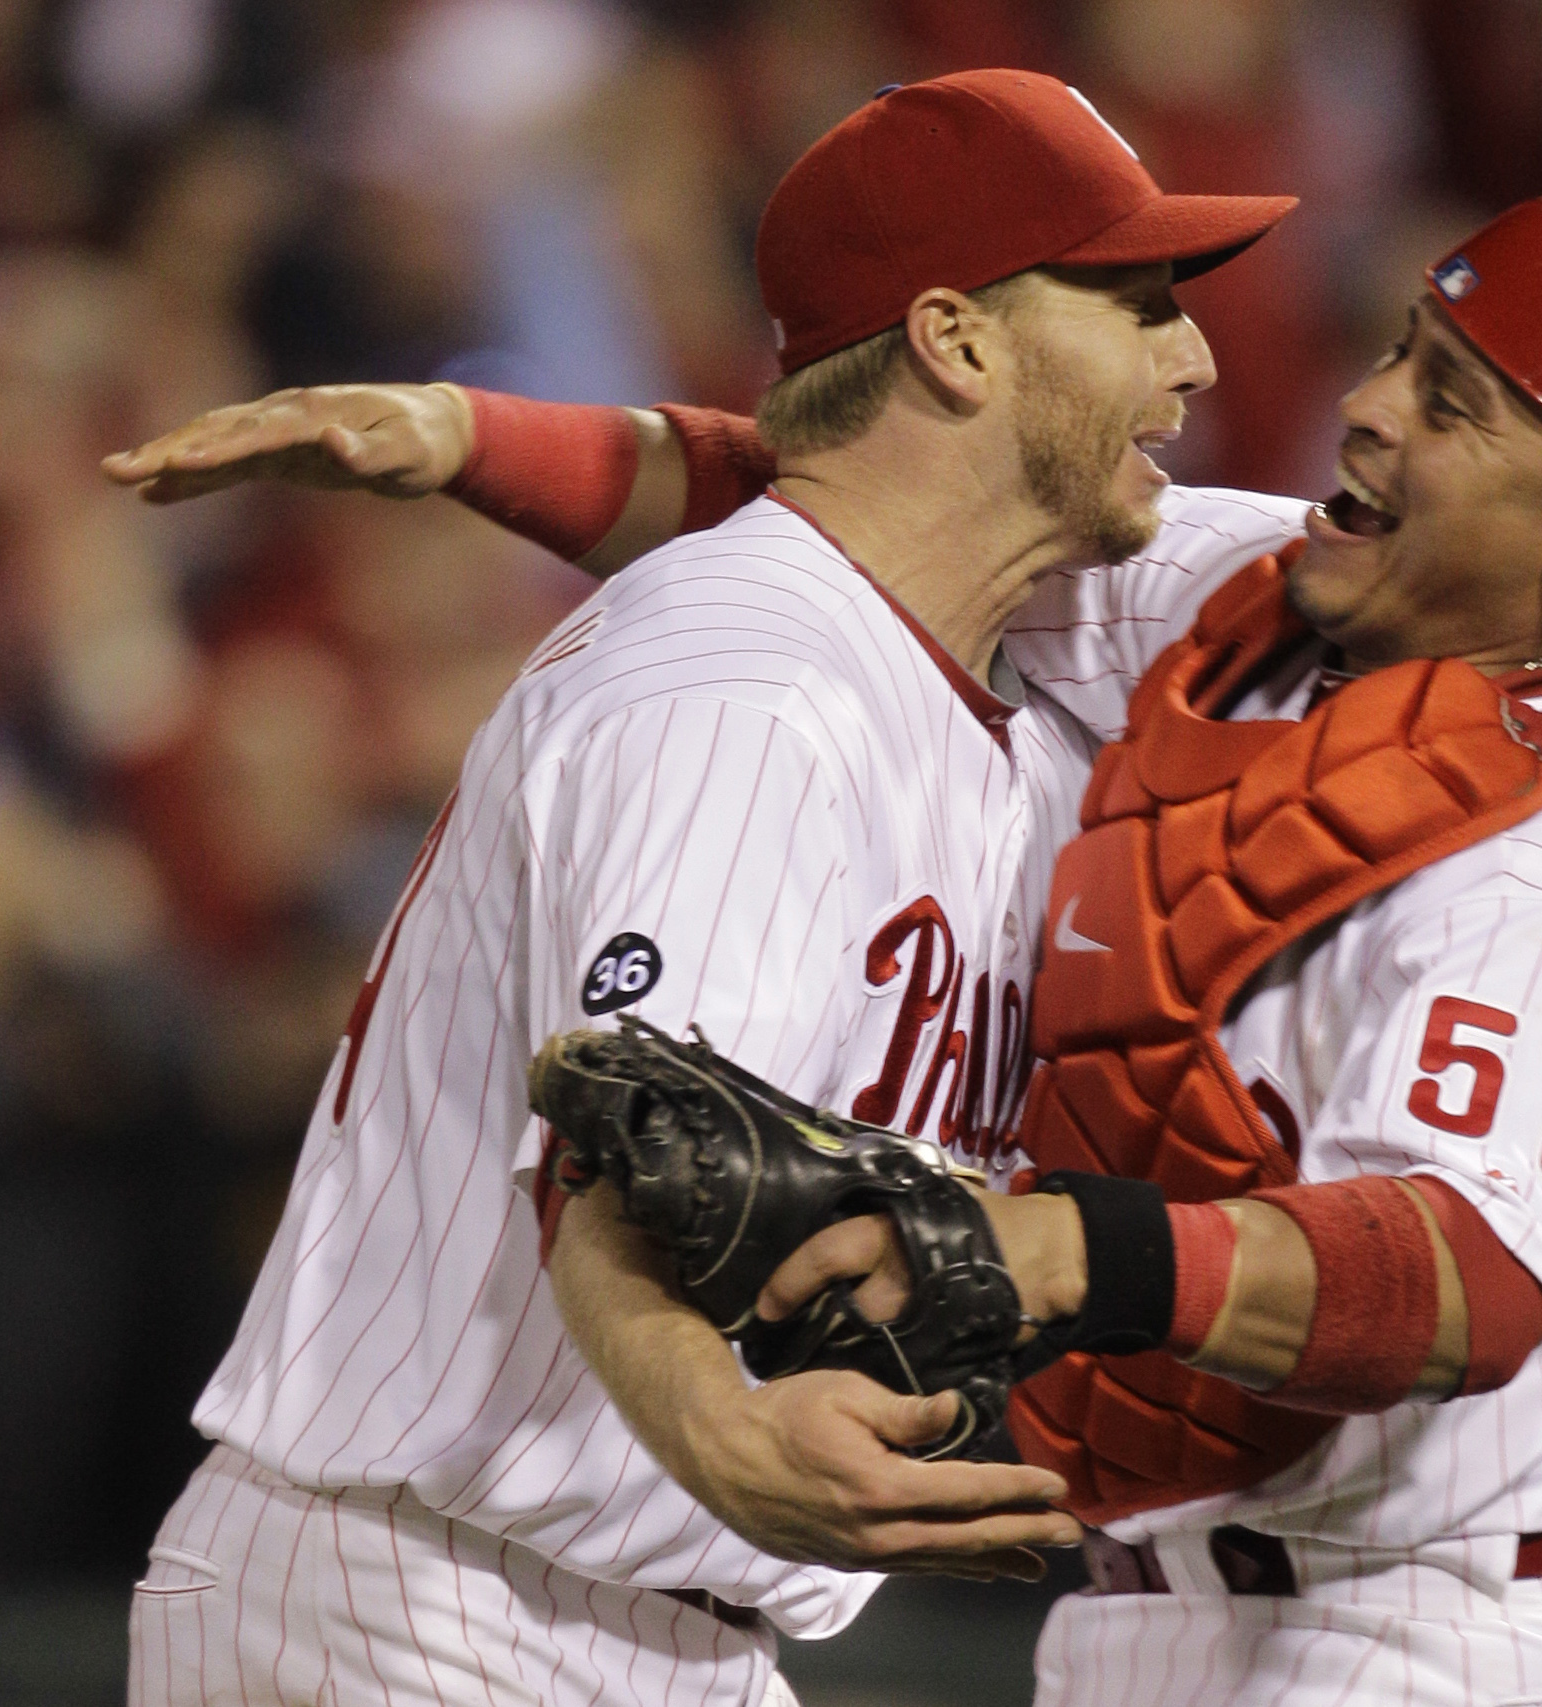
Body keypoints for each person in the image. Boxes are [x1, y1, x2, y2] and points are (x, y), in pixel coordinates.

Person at [110, 69, 1302, 1707]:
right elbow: (631, 1137)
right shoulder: (743, 687)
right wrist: (718, 1425)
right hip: (428, 1609)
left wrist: (476, 435)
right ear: (957, 342)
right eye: (1137, 304)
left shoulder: (995, 663)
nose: (1196, 357)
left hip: (631, 1625)